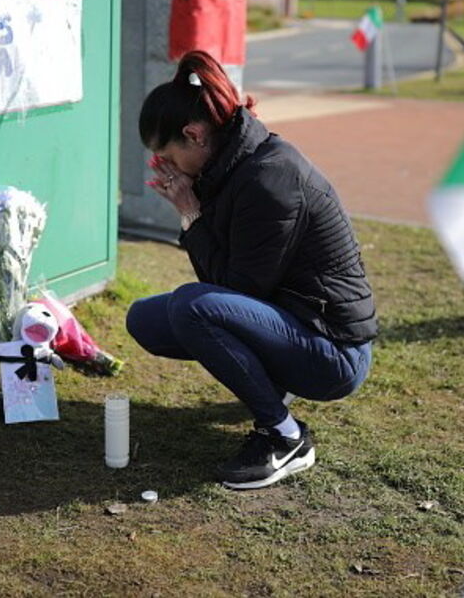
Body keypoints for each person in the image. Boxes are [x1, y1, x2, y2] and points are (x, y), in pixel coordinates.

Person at [126, 51, 377, 490]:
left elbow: (233, 289)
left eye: (168, 156)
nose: (167, 168)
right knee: (145, 319)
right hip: (292, 318)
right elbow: (228, 285)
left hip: (335, 351)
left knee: (191, 307)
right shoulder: (228, 166)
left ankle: (286, 436)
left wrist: (190, 213)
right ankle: (273, 385)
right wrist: (194, 207)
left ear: (194, 134)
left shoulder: (270, 178)